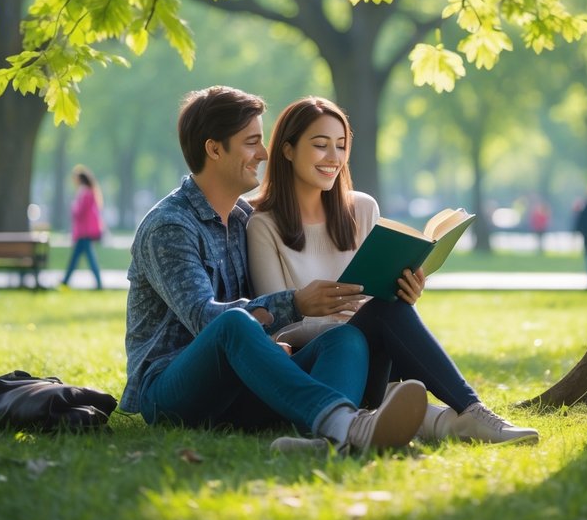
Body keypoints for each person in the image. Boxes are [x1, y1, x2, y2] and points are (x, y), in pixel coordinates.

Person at [121, 85, 427, 455]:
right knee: (233, 324)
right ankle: (349, 424)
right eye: (252, 142)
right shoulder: (171, 226)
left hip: (241, 386)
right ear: (214, 148)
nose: (264, 154)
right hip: (172, 391)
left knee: (343, 339)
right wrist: (295, 302)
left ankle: (326, 441)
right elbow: (204, 319)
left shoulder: (242, 220)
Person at [247, 96, 539, 446]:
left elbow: (378, 297)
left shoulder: (362, 208)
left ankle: (472, 412)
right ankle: (449, 419)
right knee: (373, 321)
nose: (334, 158)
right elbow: (276, 328)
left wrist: (406, 291)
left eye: (341, 146)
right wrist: (326, 315)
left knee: (392, 307)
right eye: (320, 145)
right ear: (288, 150)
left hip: (373, 359)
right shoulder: (262, 224)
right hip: (316, 366)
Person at [62, 165, 105, 289]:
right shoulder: (89, 191)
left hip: (84, 231)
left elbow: (79, 212)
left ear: (79, 179)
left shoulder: (84, 192)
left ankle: (66, 281)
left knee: (82, 258)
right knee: (81, 258)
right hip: (86, 231)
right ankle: (66, 281)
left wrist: (73, 206)